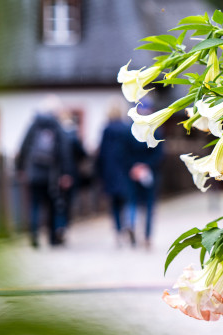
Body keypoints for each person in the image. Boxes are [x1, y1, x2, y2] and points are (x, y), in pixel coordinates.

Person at [16, 94, 73, 248]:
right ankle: (52, 238)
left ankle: (34, 236)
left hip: (34, 173)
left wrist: (20, 168)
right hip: (51, 175)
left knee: (34, 205)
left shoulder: (34, 125)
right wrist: (66, 173)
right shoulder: (56, 126)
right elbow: (64, 151)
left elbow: (23, 147)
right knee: (52, 206)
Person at [95, 98, 137, 247]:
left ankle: (119, 232)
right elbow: (132, 150)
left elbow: (101, 154)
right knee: (129, 200)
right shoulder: (127, 128)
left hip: (110, 172)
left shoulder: (106, 130)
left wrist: (99, 172)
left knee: (114, 204)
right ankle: (130, 223)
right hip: (125, 171)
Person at [127, 99, 164, 250]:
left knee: (133, 202)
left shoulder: (130, 129)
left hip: (133, 172)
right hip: (150, 172)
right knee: (149, 205)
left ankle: (131, 224)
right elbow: (160, 154)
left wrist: (135, 167)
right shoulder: (156, 129)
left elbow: (125, 151)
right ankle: (147, 236)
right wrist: (146, 166)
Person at [56, 108, 89, 235]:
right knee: (68, 201)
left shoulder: (56, 133)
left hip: (57, 173)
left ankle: (59, 225)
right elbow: (82, 153)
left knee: (58, 201)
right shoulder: (73, 134)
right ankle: (64, 225)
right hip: (71, 172)